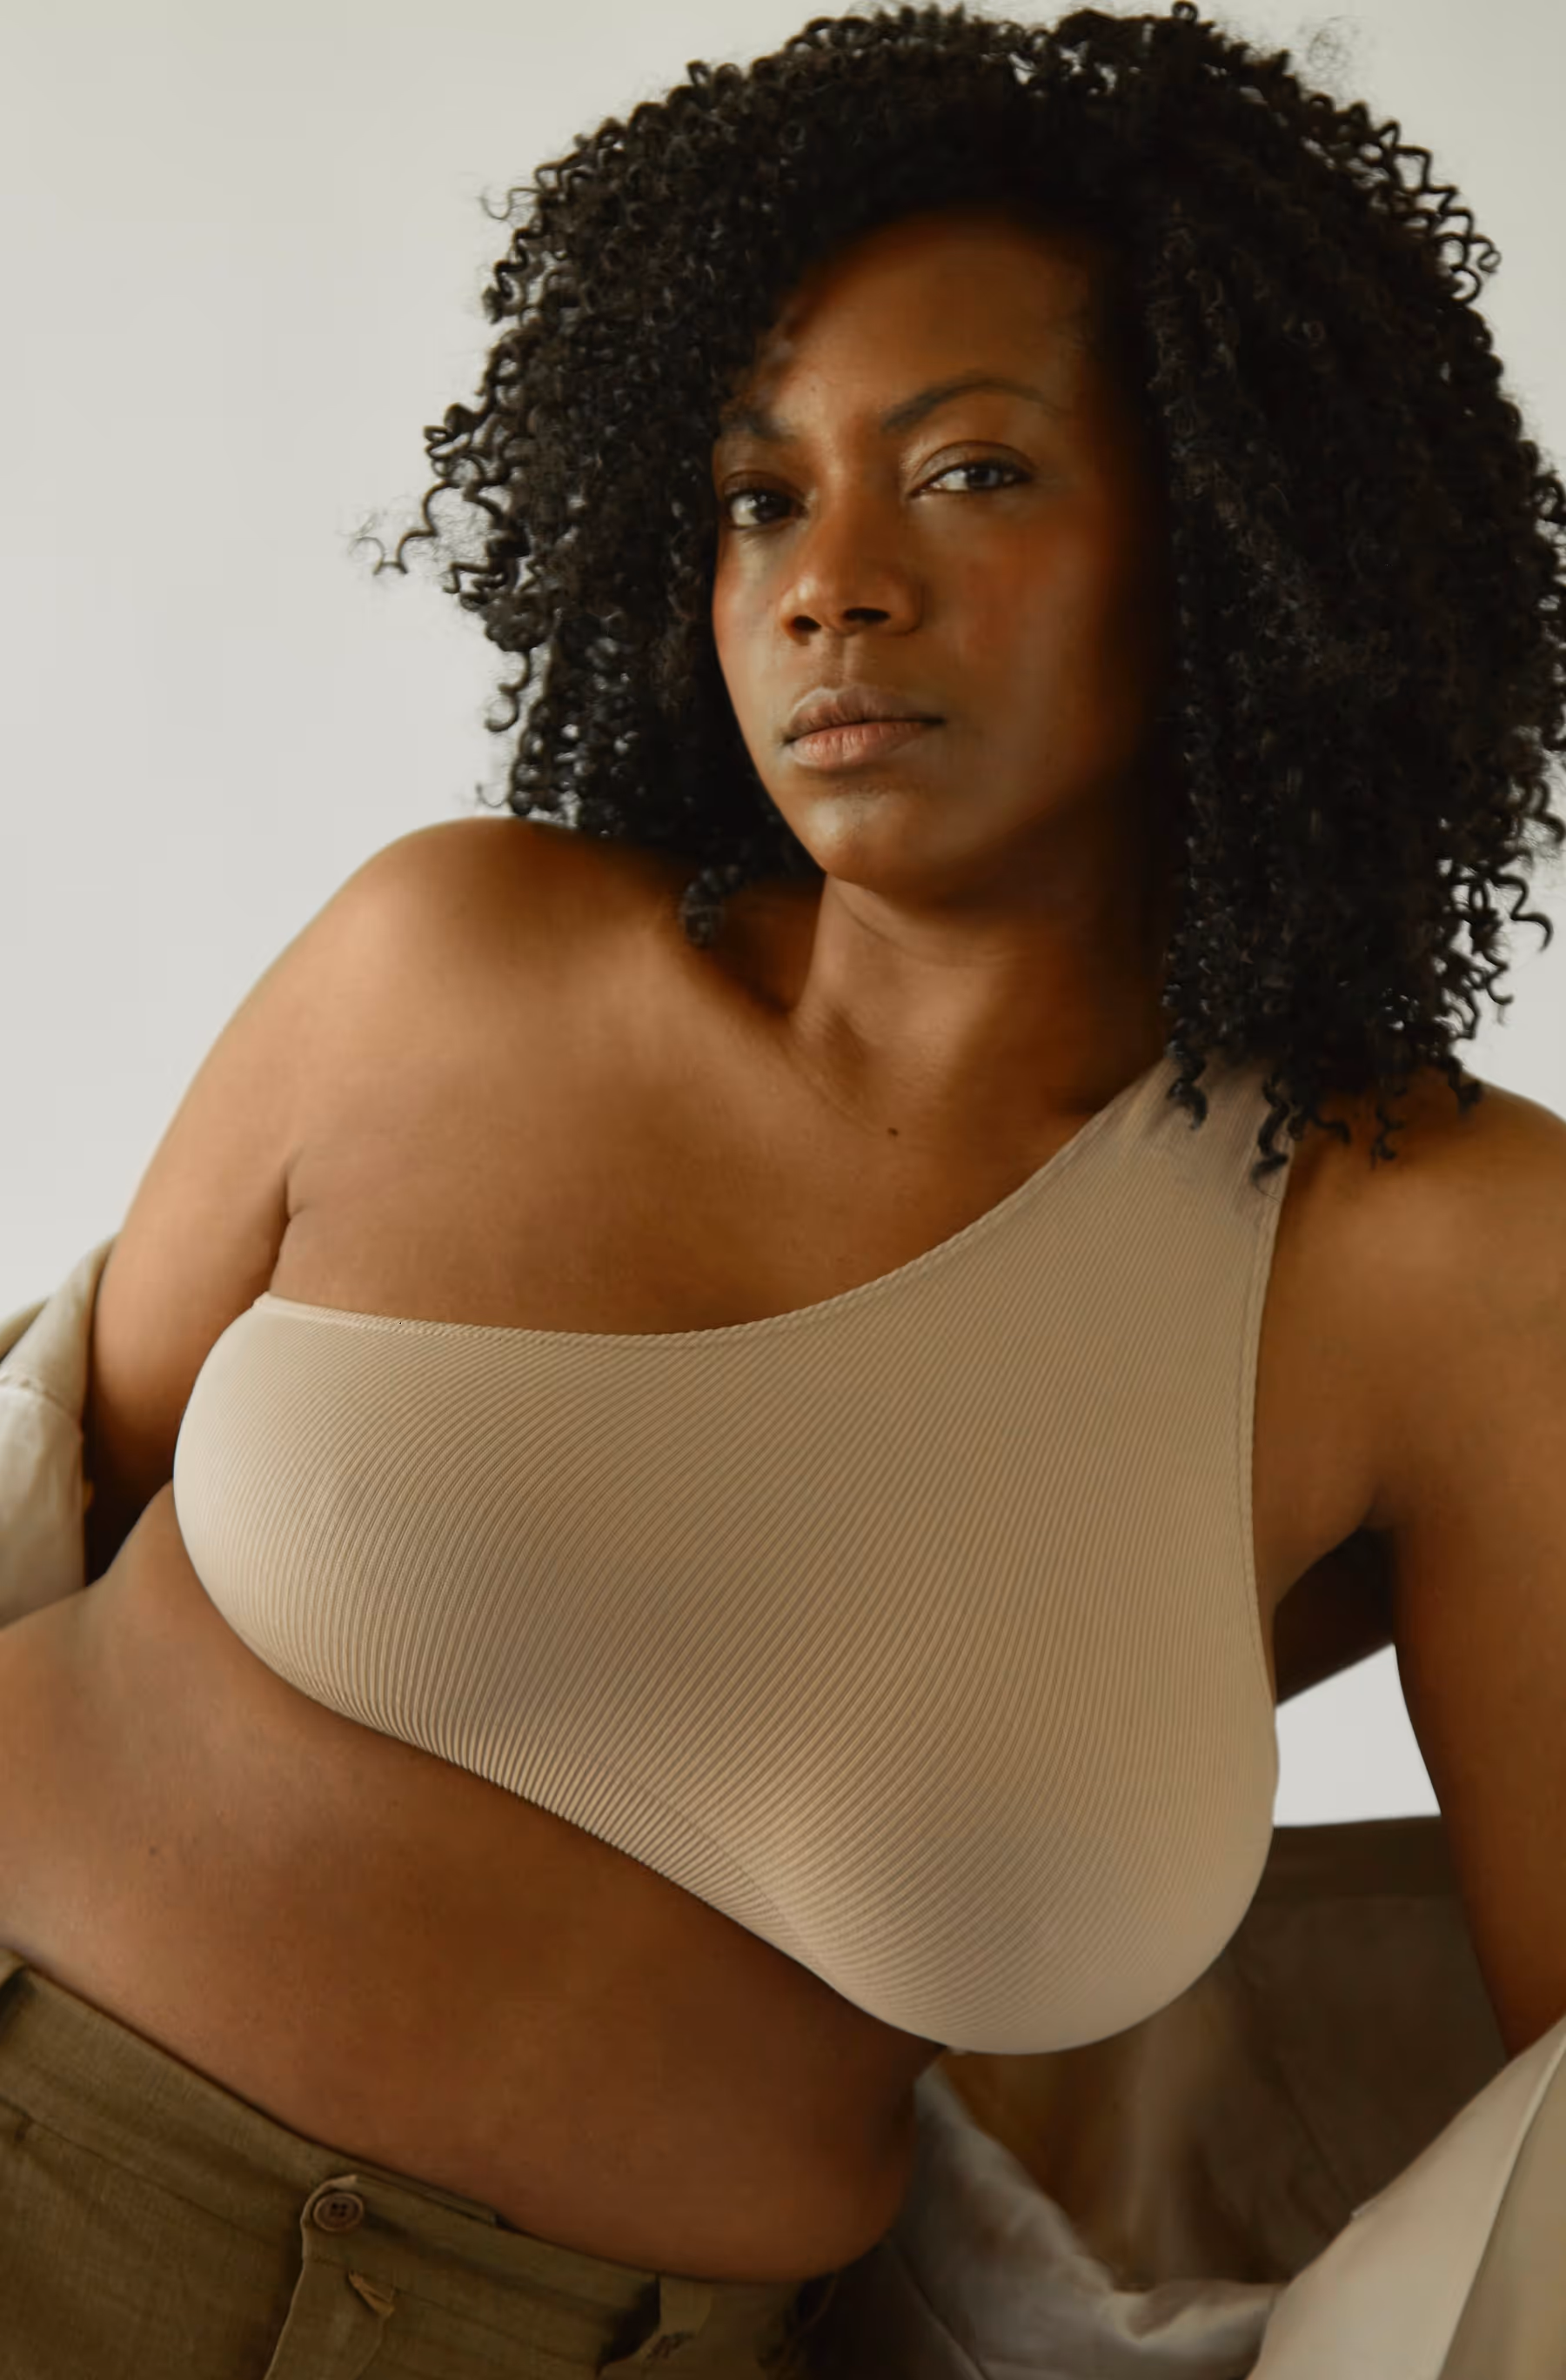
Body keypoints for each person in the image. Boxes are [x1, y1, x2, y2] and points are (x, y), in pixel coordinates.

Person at [3, 3, 1565, 2374]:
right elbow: (55, 1493)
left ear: (1242, 540)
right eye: (759, 497)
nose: (831, 582)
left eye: (969, 472)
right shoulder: (446, 962)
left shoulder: (1433, 1259)